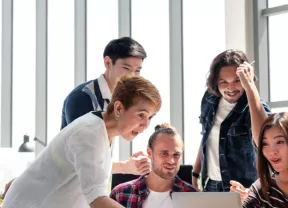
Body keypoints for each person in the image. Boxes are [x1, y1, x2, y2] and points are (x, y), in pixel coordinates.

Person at [2, 74, 161, 208]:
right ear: (118, 108)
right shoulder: (89, 132)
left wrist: (126, 167)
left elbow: (88, 173)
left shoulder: (103, 131)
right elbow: (97, 199)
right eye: (141, 115)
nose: (146, 125)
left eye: (150, 118)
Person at [61, 36, 152, 176]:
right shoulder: (83, 97)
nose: (133, 76)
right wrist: (125, 167)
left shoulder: (119, 100)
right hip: (67, 184)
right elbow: (83, 159)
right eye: (127, 68)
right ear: (108, 63)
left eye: (138, 70)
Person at [192, 49, 271, 192]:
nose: (230, 88)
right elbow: (206, 136)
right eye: (224, 82)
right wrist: (195, 172)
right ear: (216, 81)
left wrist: (250, 87)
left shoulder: (255, 106)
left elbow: (264, 141)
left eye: (237, 81)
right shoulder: (209, 99)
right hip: (210, 186)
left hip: (243, 189)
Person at [110, 124, 197, 208]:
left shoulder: (194, 197)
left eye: (176, 155)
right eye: (164, 153)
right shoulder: (120, 194)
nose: (171, 161)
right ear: (149, 152)